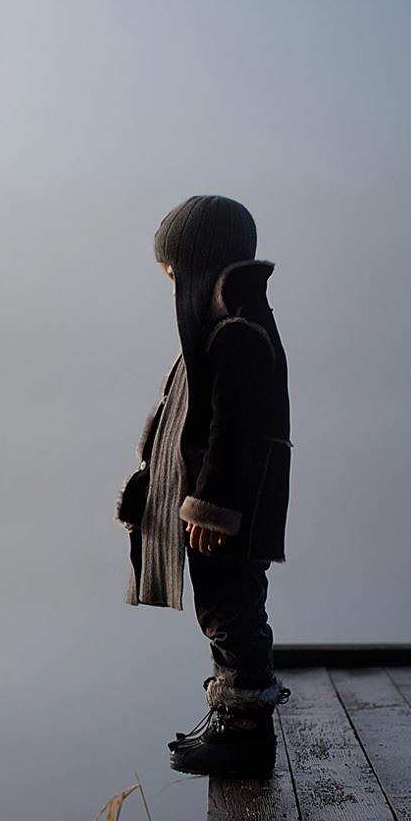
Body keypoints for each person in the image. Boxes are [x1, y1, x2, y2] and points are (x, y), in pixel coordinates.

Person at [115, 195, 293, 778]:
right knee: (225, 612)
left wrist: (212, 510)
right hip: (233, 507)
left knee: (233, 614)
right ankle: (230, 718)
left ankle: (246, 731)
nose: (172, 290)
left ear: (202, 265)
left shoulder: (235, 333)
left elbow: (231, 433)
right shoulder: (228, 325)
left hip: (234, 509)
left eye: (175, 275)